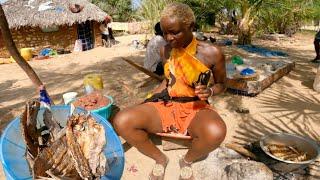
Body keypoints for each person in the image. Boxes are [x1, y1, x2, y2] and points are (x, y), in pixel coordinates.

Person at [113, 3, 226, 180]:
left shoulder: (213, 53)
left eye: (174, 32)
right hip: (168, 103)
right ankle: (160, 159)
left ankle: (187, 160)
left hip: (196, 106)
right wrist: (147, 101)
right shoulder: (165, 50)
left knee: (216, 131)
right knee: (122, 120)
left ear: (191, 27)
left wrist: (210, 91)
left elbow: (222, 84)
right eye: (165, 32)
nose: (169, 38)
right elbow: (169, 79)